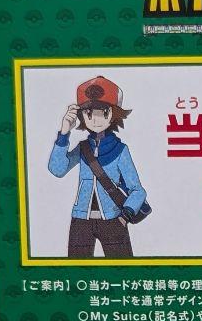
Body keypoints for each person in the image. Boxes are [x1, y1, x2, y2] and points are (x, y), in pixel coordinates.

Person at [47, 76, 147, 258]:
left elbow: (138, 190)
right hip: (81, 220)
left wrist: (124, 216)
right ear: (82, 116)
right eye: (89, 113)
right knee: (76, 271)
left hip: (113, 219)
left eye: (103, 112)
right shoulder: (83, 148)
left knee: (124, 270)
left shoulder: (120, 150)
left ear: (114, 114)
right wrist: (64, 132)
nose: (96, 119)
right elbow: (57, 169)